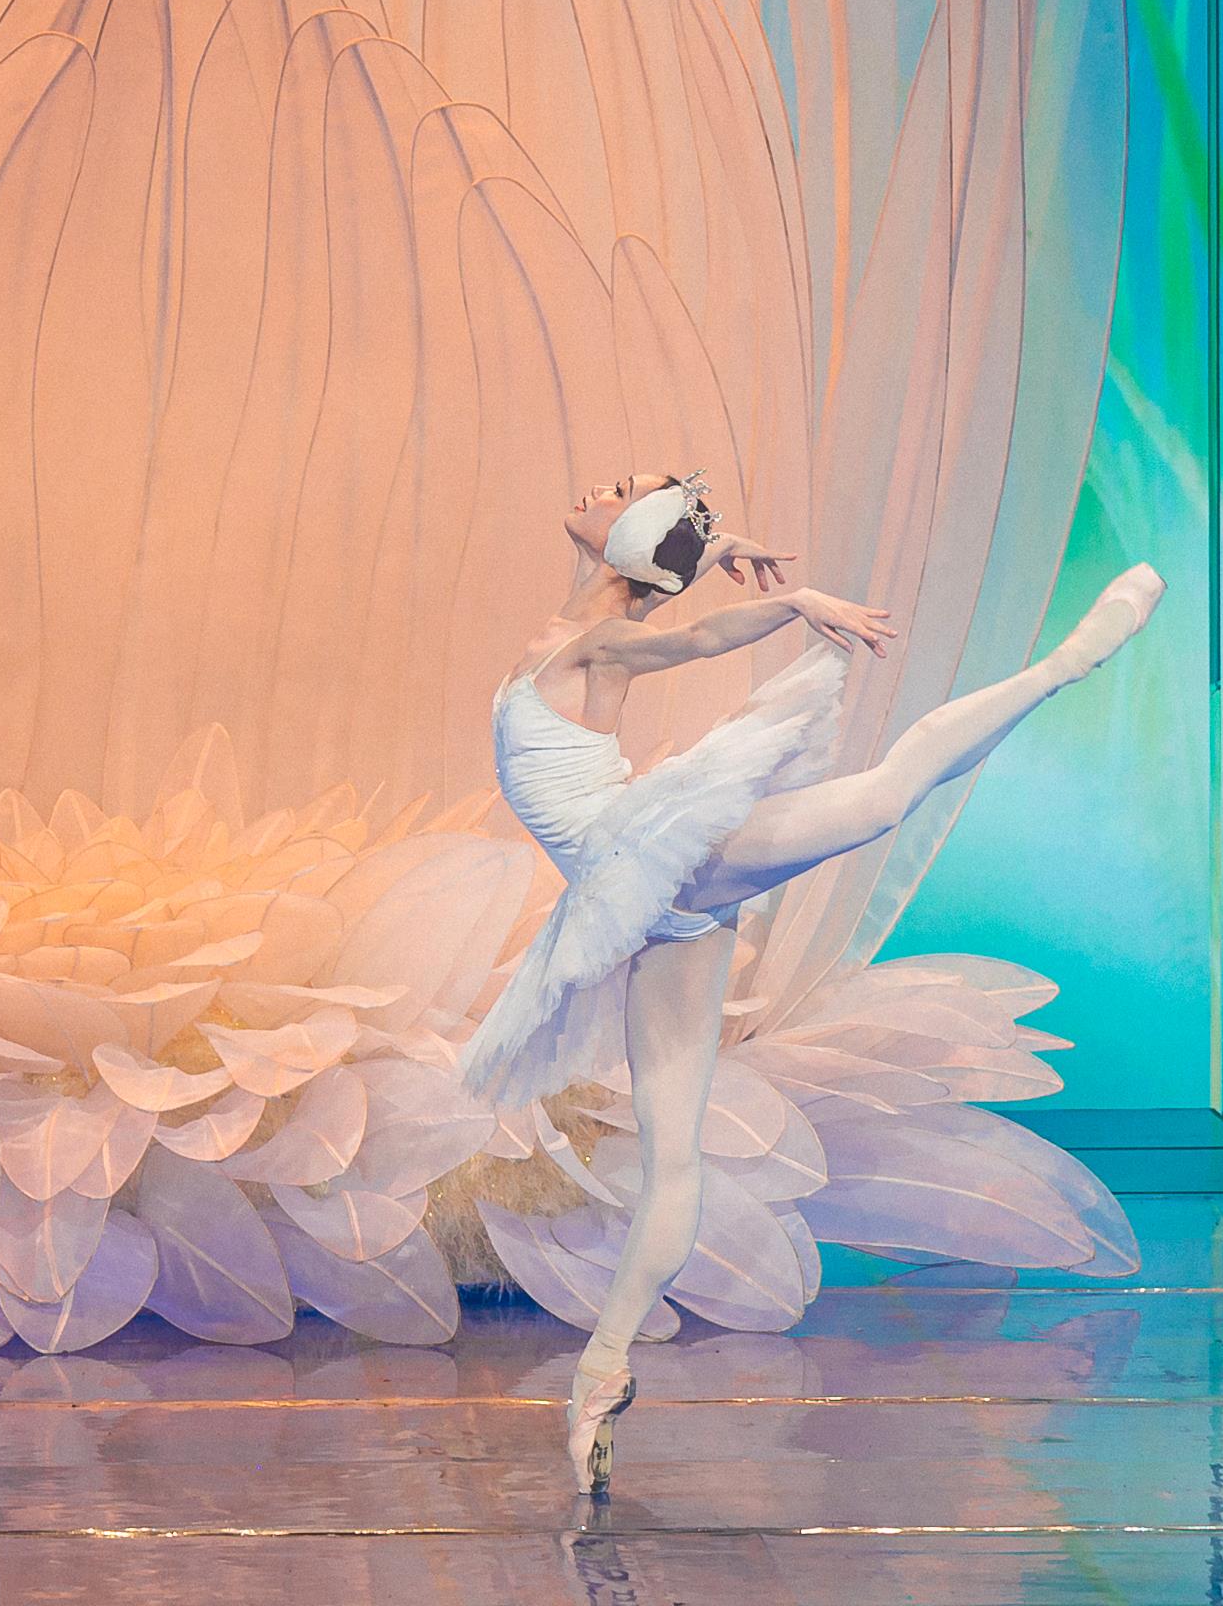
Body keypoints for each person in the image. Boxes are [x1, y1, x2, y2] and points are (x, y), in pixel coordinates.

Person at [460, 470, 1161, 1493]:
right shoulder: (586, 621)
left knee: (881, 799)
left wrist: (787, 600)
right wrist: (715, 547)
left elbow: (694, 638)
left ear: (628, 535)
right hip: (650, 901)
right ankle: (600, 1377)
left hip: (657, 857)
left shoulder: (598, 642)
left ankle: (1064, 664)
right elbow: (656, 589)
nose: (592, 485)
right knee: (673, 1157)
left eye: (618, 489)